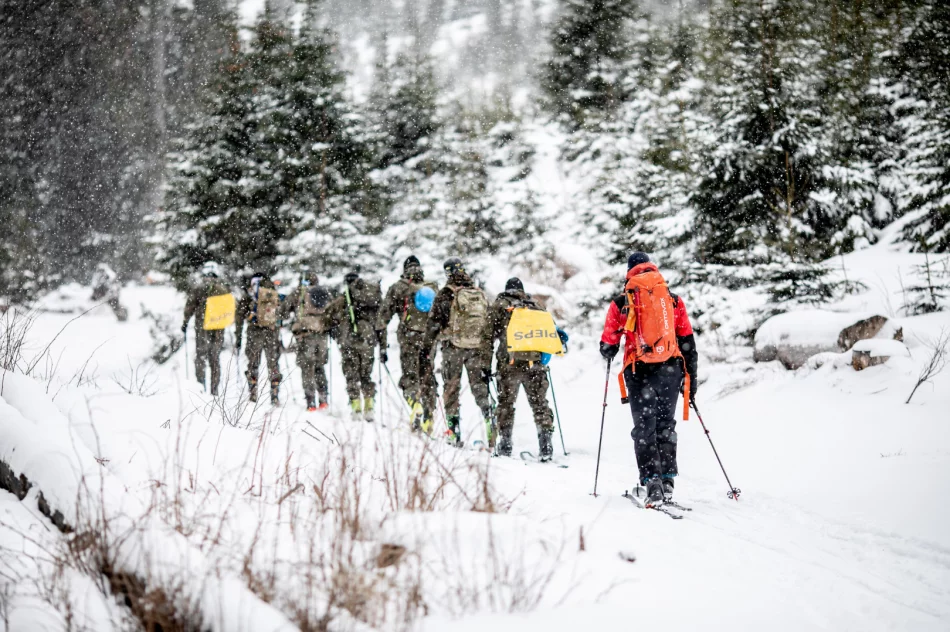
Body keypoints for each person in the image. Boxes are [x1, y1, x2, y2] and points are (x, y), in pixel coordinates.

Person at [599, 252, 699, 504]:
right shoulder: (673, 301)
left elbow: (609, 343)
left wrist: (608, 350)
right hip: (671, 369)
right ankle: (667, 481)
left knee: (645, 428)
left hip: (639, 371)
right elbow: (687, 341)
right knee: (666, 425)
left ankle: (651, 481)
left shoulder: (622, 301)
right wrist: (690, 380)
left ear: (629, 272)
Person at [480, 277, 558, 460]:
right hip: (535, 364)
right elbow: (550, 332)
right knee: (540, 404)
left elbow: (486, 338)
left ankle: (505, 444)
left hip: (509, 364)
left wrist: (485, 365)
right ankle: (546, 444)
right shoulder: (536, 306)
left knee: (506, 404)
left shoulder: (500, 305)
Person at [421, 257, 491, 446]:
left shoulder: (446, 293)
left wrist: (426, 350)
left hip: (453, 348)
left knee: (451, 389)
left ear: (447, 273)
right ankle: (490, 420)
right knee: (479, 388)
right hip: (476, 348)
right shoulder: (477, 293)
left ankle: (453, 431)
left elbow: (433, 324)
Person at [376, 255, 439, 432]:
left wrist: (382, 345)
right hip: (429, 339)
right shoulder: (432, 287)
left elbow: (383, 319)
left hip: (409, 338)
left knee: (410, 377)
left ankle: (415, 405)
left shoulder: (398, 288)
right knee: (427, 376)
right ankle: (429, 416)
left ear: (405, 269)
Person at [325, 270, 381, 420]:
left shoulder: (343, 299)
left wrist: (334, 327)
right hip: (367, 342)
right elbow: (379, 319)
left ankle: (356, 408)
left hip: (348, 342)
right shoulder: (368, 298)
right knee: (366, 376)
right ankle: (369, 406)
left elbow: (328, 314)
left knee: (351, 376)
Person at [282, 267, 332, 411]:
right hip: (322, 336)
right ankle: (323, 399)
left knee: (307, 368)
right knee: (319, 366)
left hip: (305, 336)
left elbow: (283, 311)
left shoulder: (299, 292)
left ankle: (310, 403)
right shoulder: (324, 293)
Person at [181, 261, 231, 395]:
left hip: (202, 327)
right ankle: (214, 390)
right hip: (219, 328)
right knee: (215, 357)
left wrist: (185, 322)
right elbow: (230, 308)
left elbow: (190, 306)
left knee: (201, 356)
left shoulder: (200, 288)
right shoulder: (223, 289)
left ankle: (201, 387)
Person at [236, 271, 283, 404]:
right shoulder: (272, 291)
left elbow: (240, 315)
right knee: (273, 364)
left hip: (254, 332)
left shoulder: (250, 294)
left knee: (253, 363)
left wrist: (238, 337)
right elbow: (280, 311)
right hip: (272, 332)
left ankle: (253, 392)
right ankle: (274, 394)